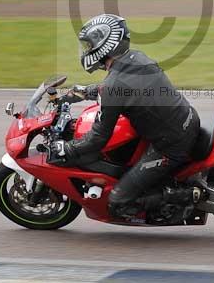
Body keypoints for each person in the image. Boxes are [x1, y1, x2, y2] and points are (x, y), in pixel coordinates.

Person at [48, 13, 200, 218]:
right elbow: (119, 88)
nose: (87, 51)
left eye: (89, 45)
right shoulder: (137, 57)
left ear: (104, 45)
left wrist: (67, 148)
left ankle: (188, 195)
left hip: (171, 145)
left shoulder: (114, 85)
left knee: (118, 202)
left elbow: (97, 139)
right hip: (185, 119)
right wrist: (80, 93)